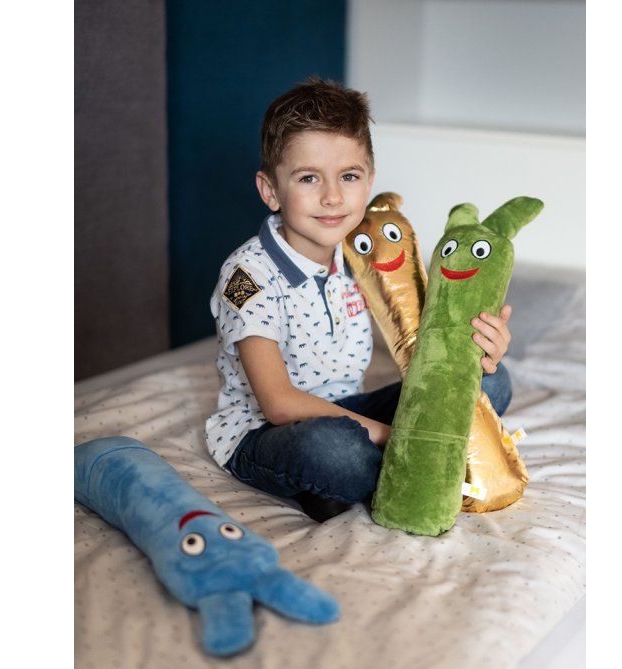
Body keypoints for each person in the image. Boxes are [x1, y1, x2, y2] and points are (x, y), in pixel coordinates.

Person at [204, 77, 514, 522]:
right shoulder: (247, 275)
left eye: (348, 177)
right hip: (267, 432)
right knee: (334, 451)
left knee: (493, 385)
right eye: (308, 178)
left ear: (369, 181)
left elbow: (430, 342)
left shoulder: (361, 254)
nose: (333, 197)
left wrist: (481, 351)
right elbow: (278, 403)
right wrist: (401, 436)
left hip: (349, 409)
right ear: (270, 190)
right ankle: (407, 463)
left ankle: (362, 479)